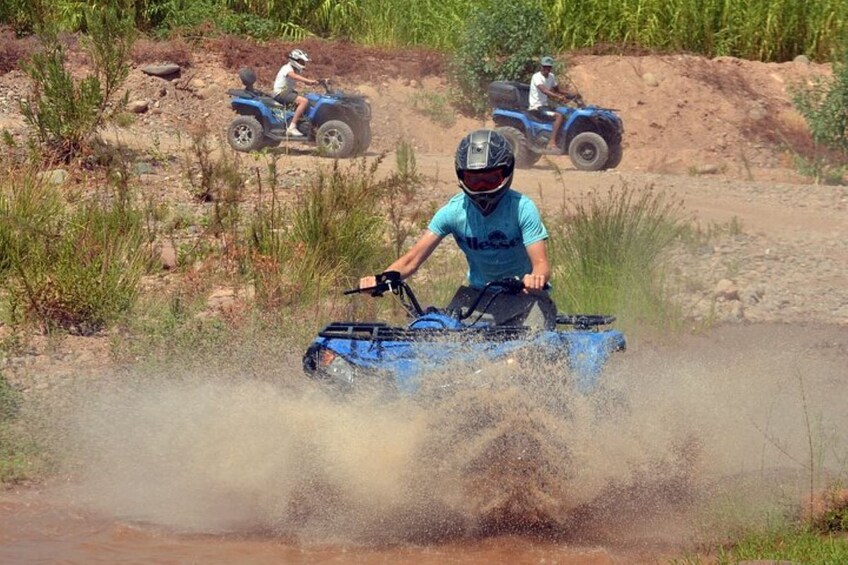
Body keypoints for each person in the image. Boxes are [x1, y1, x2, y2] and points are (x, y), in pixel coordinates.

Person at [359, 129, 556, 329]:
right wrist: (381, 279)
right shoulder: (452, 212)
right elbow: (411, 260)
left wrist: (535, 278)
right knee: (434, 334)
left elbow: (541, 264)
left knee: (528, 351)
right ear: (461, 176)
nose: (481, 187)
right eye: (473, 180)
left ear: (507, 173)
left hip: (525, 298)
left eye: (490, 179)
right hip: (476, 299)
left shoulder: (522, 208)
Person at [528, 56, 579, 151]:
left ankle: (562, 138)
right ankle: (551, 142)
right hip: (537, 107)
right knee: (558, 116)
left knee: (567, 112)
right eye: (545, 66)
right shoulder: (536, 77)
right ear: (541, 67)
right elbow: (544, 90)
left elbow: (558, 89)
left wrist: (571, 94)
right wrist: (557, 97)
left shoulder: (551, 76)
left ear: (551, 68)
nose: (546, 69)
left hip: (546, 106)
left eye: (549, 67)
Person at [273, 48, 320, 138]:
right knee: (304, 101)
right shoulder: (287, 68)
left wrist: (316, 82)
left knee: (309, 98)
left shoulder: (294, 69)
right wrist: (309, 80)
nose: (303, 64)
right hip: (280, 93)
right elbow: (294, 76)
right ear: (295, 60)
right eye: (302, 62)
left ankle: (304, 124)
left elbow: (303, 81)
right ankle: (292, 127)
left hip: (287, 92)